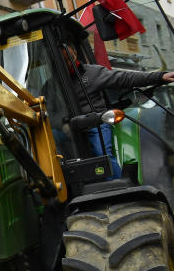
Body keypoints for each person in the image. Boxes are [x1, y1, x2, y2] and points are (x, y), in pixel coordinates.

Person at [61, 43, 174, 178]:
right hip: (69, 127)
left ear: (75, 54)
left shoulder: (93, 73)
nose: (70, 63)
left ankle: (120, 186)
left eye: (71, 58)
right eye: (65, 60)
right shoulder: (53, 84)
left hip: (96, 122)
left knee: (101, 153)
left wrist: (160, 77)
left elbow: (126, 78)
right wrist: (63, 124)